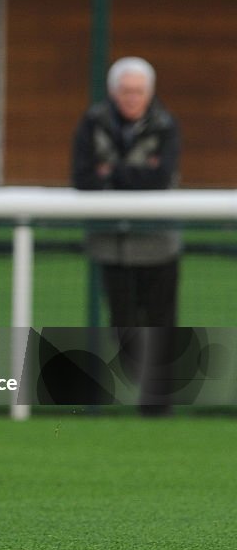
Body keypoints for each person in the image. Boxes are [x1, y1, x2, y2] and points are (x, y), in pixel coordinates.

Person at [71, 56, 181, 416]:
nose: (132, 98)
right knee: (124, 327)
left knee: (161, 323)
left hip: (158, 243)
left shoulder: (166, 125)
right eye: (126, 91)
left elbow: (161, 177)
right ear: (114, 92)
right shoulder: (93, 122)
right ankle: (144, 382)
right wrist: (134, 174)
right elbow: (84, 178)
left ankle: (157, 404)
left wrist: (112, 173)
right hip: (112, 244)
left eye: (138, 92)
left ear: (149, 94)